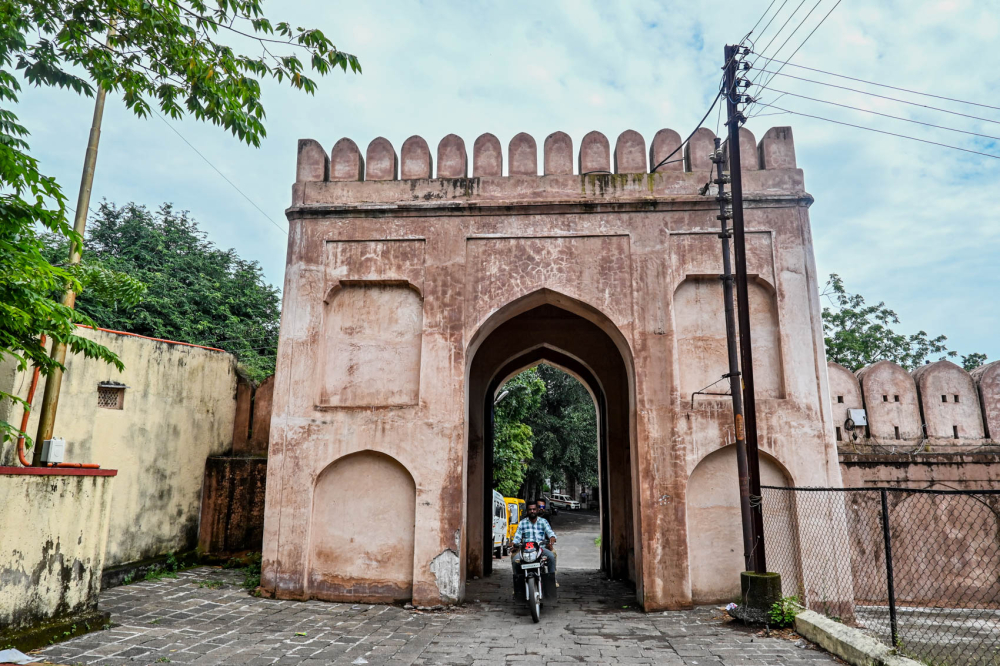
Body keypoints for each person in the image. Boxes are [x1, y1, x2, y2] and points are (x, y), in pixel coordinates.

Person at [511, 499, 557, 574]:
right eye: (530, 509)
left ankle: (551, 580)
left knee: (551, 556)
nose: (532, 511)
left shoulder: (543, 521)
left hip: (540, 548)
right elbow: (517, 536)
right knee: (515, 561)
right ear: (527, 511)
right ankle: (517, 582)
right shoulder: (522, 523)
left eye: (534, 509)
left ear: (537, 510)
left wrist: (552, 537)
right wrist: (513, 543)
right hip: (525, 550)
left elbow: (549, 531)